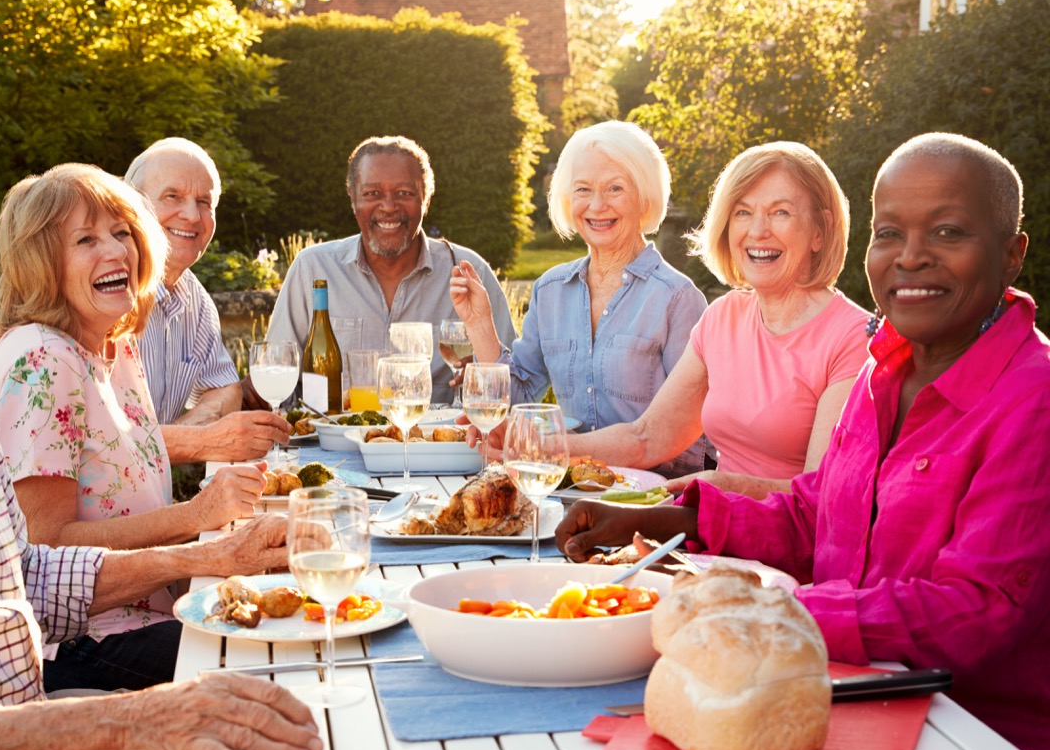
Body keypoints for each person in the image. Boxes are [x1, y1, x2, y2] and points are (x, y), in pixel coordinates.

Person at [0, 58, 321, 750]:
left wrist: (215, 554)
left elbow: (20, 573)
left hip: (37, 719)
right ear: (43, 257)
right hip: (47, 712)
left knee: (303, 688)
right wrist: (128, 722)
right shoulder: (35, 357)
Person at [555, 133, 1050, 750]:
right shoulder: (885, 370)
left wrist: (771, 609)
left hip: (971, 738)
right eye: (891, 233)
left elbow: (976, 610)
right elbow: (817, 514)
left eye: (949, 233)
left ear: (1011, 255)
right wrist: (669, 520)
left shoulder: (1030, 399)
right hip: (840, 689)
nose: (912, 257)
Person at [0, 163, 274, 692]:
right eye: (86, 239)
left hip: (144, 612)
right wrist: (197, 516)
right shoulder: (43, 360)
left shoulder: (114, 345)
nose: (115, 252)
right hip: (78, 643)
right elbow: (45, 555)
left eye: (122, 233)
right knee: (266, 653)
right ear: (43, 261)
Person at [547, 141, 868, 496]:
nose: (757, 231)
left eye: (780, 212)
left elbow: (824, 495)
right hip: (711, 536)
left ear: (820, 230)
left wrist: (723, 487)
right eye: (743, 212)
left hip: (788, 547)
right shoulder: (723, 317)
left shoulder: (854, 338)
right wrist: (538, 447)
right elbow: (648, 437)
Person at [451, 121, 707, 477]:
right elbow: (519, 396)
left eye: (615, 188)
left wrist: (547, 446)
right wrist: (479, 324)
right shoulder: (550, 290)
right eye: (583, 189)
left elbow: (688, 444)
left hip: (647, 497)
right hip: (562, 486)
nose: (597, 205)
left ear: (644, 196)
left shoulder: (678, 299)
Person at [265, 135, 517, 406]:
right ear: (352, 199)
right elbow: (274, 381)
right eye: (372, 193)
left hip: (433, 445)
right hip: (330, 445)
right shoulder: (313, 270)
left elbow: (515, 385)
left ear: (426, 200)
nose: (388, 207)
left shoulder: (468, 272)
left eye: (404, 194)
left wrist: (483, 379)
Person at [125, 138, 288, 462]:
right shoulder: (109, 293)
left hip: (150, 503)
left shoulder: (193, 300)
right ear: (133, 205)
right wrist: (201, 441)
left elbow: (225, 390)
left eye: (204, 202)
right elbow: (101, 444)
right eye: (173, 196)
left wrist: (184, 435)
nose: (191, 215)